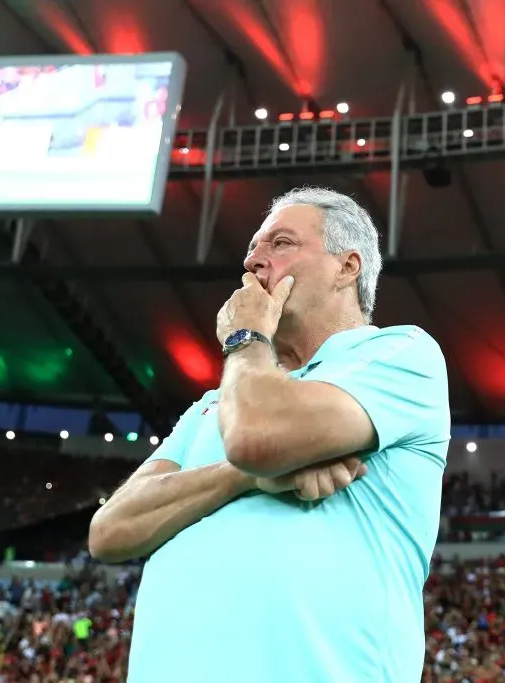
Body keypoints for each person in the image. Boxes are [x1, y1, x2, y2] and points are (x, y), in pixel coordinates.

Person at [88, 186, 450, 682]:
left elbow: (255, 436)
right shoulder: (212, 405)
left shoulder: (401, 354)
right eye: (252, 249)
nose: (254, 261)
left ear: (348, 267)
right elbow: (109, 531)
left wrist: (246, 338)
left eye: (280, 243)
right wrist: (245, 478)